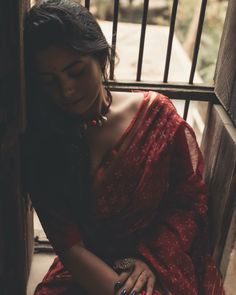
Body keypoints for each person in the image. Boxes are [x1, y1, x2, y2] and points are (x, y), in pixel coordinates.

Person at [23, 0, 225, 294]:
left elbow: (190, 200)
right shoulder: (42, 143)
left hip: (157, 261)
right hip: (87, 270)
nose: (66, 90)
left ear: (101, 57)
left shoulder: (157, 117)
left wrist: (151, 258)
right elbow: (70, 248)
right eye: (49, 82)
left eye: (76, 72)